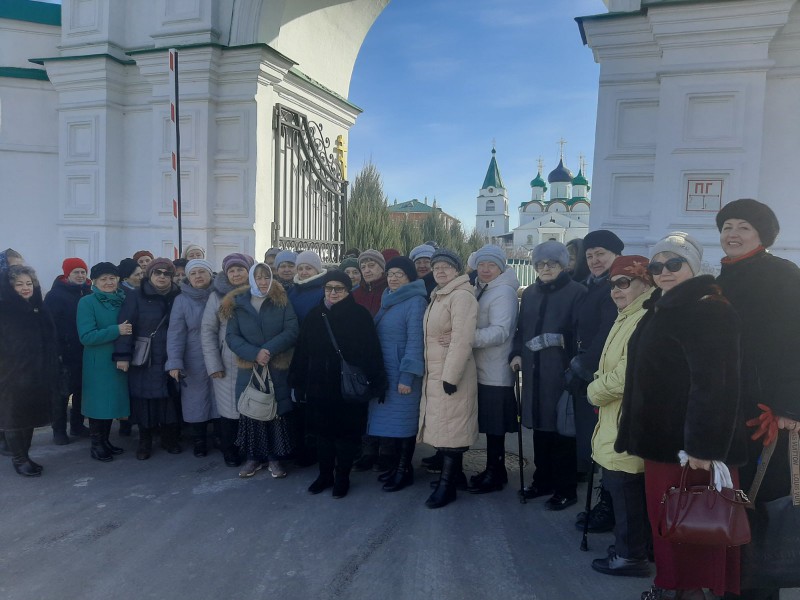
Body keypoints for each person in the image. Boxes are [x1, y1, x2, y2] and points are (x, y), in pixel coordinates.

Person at [615, 232, 744, 600]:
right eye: (657, 266)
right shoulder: (660, 306)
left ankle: (688, 593)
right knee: (670, 525)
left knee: (693, 525)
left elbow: (716, 385)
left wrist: (702, 446)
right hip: (662, 441)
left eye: (675, 264)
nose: (665, 272)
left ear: (694, 266)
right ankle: (671, 587)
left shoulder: (709, 309)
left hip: (689, 446)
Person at [714, 199, 800, 600]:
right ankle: (732, 581)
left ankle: (757, 589)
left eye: (743, 227)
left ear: (762, 235)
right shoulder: (723, 276)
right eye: (727, 225)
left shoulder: (782, 275)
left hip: (764, 414)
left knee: (762, 501)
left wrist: (789, 406)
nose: (732, 233)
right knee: (731, 498)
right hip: (727, 412)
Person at [290, 270, 386, 499]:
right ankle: (325, 475)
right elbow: (302, 350)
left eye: (339, 288)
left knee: (345, 436)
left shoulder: (359, 315)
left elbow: (372, 351)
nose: (333, 293)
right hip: (319, 386)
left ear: (347, 290)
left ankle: (342, 477)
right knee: (322, 435)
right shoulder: (315, 315)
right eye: (329, 288)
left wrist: (377, 380)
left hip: (347, 387)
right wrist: (298, 381)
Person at [586, 256, 653, 577]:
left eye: (624, 283)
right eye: (613, 284)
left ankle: (631, 556)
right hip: (616, 417)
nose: (616, 290)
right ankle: (629, 548)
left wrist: (594, 391)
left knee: (626, 492)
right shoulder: (626, 315)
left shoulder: (642, 317)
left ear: (645, 283)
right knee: (622, 489)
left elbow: (628, 373)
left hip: (625, 420)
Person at [511, 241, 586, 509]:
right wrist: (516, 353)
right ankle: (542, 480)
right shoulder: (530, 292)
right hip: (533, 372)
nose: (545, 268)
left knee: (562, 431)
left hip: (561, 372)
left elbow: (582, 333)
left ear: (562, 265)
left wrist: (559, 340)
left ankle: (566, 488)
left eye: (551, 263)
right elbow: (520, 330)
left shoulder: (578, 292)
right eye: (541, 264)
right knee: (540, 429)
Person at [570, 230, 624, 530]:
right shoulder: (593, 286)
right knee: (597, 439)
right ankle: (607, 502)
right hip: (591, 370)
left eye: (600, 253)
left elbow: (607, 331)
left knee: (608, 440)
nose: (594, 260)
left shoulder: (616, 286)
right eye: (589, 255)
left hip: (604, 373)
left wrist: (581, 365)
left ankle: (609, 506)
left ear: (616, 254)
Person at [225, 263, 299, 479]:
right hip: (251, 367)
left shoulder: (281, 300)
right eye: (258, 277)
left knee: (275, 411)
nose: (263, 281)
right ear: (251, 279)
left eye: (266, 277)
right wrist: (254, 353)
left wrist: (269, 350)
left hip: (275, 365)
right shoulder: (238, 303)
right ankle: (253, 458)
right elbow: (231, 336)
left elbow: (292, 329)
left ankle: (275, 459)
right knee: (252, 410)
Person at [418, 248, 479, 509]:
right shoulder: (441, 295)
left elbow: (462, 338)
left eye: (446, 266)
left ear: (457, 270)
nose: (440, 271)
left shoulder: (461, 296)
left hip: (451, 374)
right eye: (436, 267)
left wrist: (451, 376)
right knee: (445, 426)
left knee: (453, 429)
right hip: (438, 371)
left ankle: (448, 487)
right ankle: (455, 477)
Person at [114, 258, 182, 460]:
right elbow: (126, 327)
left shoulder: (178, 296)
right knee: (145, 401)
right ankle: (145, 442)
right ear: (150, 275)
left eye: (166, 273)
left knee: (169, 399)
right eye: (157, 273)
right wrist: (123, 356)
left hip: (171, 355)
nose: (162, 276)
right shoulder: (136, 296)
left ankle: (169, 439)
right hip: (146, 357)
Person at [369, 256, 427, 492]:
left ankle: (405, 470)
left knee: (404, 425)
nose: (393, 278)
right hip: (388, 371)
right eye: (390, 274)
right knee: (393, 424)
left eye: (399, 275)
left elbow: (415, 341)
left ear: (409, 278)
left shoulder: (416, 301)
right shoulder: (389, 297)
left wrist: (407, 377)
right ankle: (397, 468)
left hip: (403, 373)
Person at [467, 245, 520, 494]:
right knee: (490, 425)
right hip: (482, 367)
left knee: (495, 427)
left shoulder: (503, 293)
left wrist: (466, 337)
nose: (485, 269)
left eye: (491, 265)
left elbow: (501, 331)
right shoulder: (483, 288)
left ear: (500, 267)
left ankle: (496, 473)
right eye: (481, 264)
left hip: (496, 370)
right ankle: (493, 470)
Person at [0, 265, 59, 476]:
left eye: (29, 283)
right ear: (9, 287)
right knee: (15, 418)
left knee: (30, 417)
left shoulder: (38, 307)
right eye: (19, 284)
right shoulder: (4, 310)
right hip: (11, 375)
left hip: (37, 373)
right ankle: (19, 459)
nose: (26, 288)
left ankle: (26, 455)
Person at [201, 252, 254, 467]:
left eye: (240, 269)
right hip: (227, 361)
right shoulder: (216, 296)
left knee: (253, 408)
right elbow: (208, 331)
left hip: (255, 359)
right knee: (229, 410)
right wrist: (213, 364)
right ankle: (229, 449)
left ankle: (251, 448)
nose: (236, 274)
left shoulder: (259, 292)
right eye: (231, 270)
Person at [77, 262, 131, 462]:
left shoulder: (123, 298)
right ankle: (96, 444)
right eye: (103, 279)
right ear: (94, 282)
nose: (108, 282)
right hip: (98, 362)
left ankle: (106, 441)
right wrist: (116, 330)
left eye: (112, 278)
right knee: (98, 404)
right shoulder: (87, 302)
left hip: (118, 359)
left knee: (111, 403)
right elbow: (86, 336)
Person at [166, 258, 217, 458]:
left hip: (218, 354)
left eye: (201, 272)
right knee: (196, 400)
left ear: (209, 274)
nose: (198, 276)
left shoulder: (220, 295)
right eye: (193, 273)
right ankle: (199, 440)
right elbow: (175, 333)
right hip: (193, 357)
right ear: (188, 277)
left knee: (220, 397)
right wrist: (175, 362)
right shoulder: (181, 300)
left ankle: (221, 436)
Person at [351, 249, 392, 472]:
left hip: (385, 354)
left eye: (372, 266)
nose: (367, 270)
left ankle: (386, 451)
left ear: (382, 268)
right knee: (365, 404)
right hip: (361, 356)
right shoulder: (356, 293)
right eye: (363, 267)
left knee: (385, 403)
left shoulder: (390, 290)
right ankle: (368, 450)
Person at [44, 257, 93, 443]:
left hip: (85, 350)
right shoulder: (55, 295)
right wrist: (55, 351)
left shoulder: (89, 292)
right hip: (65, 351)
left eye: (83, 272)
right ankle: (58, 430)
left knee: (82, 391)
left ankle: (77, 425)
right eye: (76, 272)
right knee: (62, 393)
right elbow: (49, 326)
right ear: (67, 274)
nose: (80, 275)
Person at [287, 250, 327, 323]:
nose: (304, 272)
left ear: (317, 270)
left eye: (308, 268)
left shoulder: (324, 292)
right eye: (300, 269)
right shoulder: (291, 291)